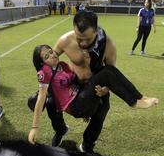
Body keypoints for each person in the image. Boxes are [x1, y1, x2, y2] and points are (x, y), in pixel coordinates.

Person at [28, 45, 158, 146]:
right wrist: (34, 128)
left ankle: (139, 97)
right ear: (42, 63)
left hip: (81, 100)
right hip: (74, 106)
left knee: (108, 70)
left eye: (51, 51)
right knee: (106, 74)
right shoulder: (44, 72)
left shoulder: (63, 65)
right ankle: (134, 102)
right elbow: (41, 98)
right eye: (46, 56)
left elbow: (79, 83)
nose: (52, 55)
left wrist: (101, 91)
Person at [28, 11, 116, 153]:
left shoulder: (108, 45)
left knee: (101, 111)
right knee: (50, 101)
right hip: (74, 88)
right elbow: (47, 64)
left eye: (87, 39)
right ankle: (61, 130)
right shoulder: (64, 41)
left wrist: (106, 89)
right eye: (79, 38)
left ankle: (87, 145)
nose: (83, 43)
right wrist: (42, 90)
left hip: (95, 88)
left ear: (96, 31)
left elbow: (112, 73)